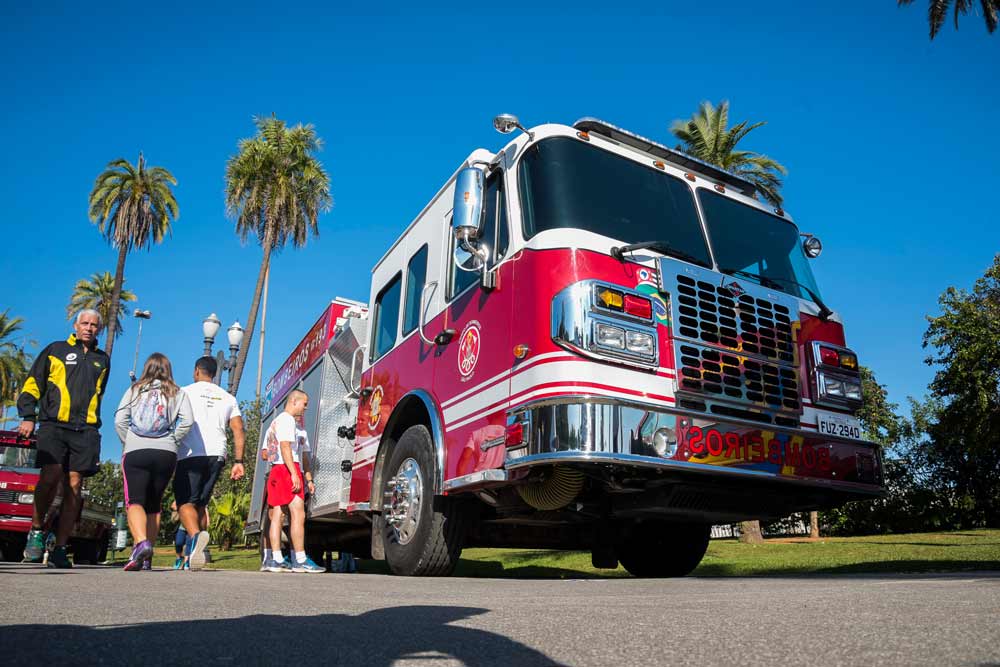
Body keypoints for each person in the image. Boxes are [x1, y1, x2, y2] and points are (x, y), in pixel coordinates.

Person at [17, 309, 110, 568]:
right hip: (53, 425)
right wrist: (28, 415)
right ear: (75, 325)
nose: (89, 328)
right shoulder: (55, 349)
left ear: (99, 330)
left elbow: (97, 394)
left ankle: (59, 547)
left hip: (85, 430)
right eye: (85, 323)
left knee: (75, 486)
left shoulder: (102, 359)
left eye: (94, 325)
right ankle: (36, 532)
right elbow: (32, 385)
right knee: (51, 474)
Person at [114, 353, 193, 571]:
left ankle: (141, 544)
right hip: (165, 453)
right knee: (154, 504)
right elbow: (187, 421)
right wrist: (172, 440)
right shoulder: (178, 392)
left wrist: (128, 441)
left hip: (136, 450)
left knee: (135, 501)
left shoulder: (134, 390)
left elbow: (120, 419)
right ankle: (148, 557)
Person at [174, 356, 245, 570]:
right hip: (217, 454)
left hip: (190, 453)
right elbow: (238, 430)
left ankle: (195, 539)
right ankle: (194, 556)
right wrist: (239, 461)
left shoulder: (183, 392)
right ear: (214, 374)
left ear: (197, 371)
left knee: (185, 502)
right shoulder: (227, 397)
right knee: (201, 505)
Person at [261, 389, 323, 573]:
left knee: (280, 515)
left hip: (280, 469)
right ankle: (299, 559)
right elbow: (285, 446)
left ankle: (278, 559)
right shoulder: (287, 419)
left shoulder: (278, 423)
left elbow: (266, 453)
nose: (305, 408)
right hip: (287, 468)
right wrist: (294, 473)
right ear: (294, 401)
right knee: (296, 513)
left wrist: (308, 478)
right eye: (304, 404)